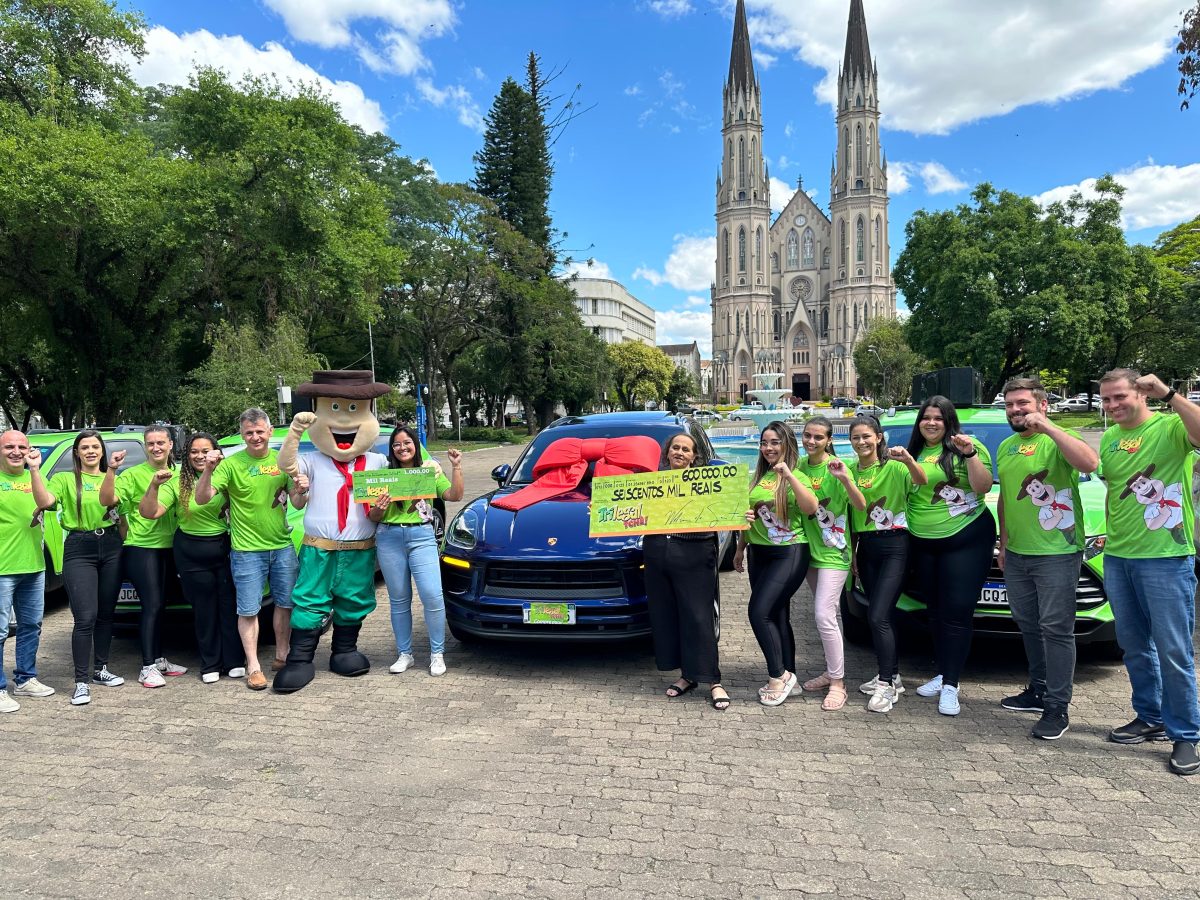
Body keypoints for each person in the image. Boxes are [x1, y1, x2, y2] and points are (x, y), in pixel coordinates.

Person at [1097, 369, 1200, 775]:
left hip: (1165, 557)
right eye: (1106, 400)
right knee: (1134, 643)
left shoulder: (1171, 426)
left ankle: (1187, 734)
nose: (1112, 405)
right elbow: (1112, 492)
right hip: (1119, 556)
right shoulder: (1108, 438)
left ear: (1140, 393)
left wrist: (1170, 394)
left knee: (1173, 649)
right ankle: (1150, 715)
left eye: (1119, 396)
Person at [996, 378, 1098, 741]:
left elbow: (1090, 461)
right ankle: (1038, 690)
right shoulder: (1007, 447)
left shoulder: (1055, 441)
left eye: (1022, 403)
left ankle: (1058, 706)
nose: (1015, 410)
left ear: (1042, 405)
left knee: (1056, 629)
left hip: (1057, 552)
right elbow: (1008, 497)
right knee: (1028, 623)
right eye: (1009, 405)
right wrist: (1004, 545)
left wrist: (1051, 428)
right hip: (1019, 553)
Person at [195, 408, 297, 691]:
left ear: (269, 431)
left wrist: (302, 487)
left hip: (282, 546)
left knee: (285, 603)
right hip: (247, 551)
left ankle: (282, 655)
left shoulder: (282, 462)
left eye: (259, 431)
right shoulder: (230, 464)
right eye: (249, 433)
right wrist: (208, 470)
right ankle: (253, 665)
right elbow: (202, 498)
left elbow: (298, 502)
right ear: (242, 434)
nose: (255, 437)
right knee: (249, 610)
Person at [905, 395, 995, 717]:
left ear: (948, 421)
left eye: (938, 418)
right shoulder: (912, 453)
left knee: (957, 613)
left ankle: (951, 686)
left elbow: (983, 487)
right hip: (923, 541)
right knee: (935, 611)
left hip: (966, 537)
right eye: (926, 417)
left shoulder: (965, 447)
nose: (931, 423)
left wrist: (969, 453)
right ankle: (943, 671)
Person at [140, 432, 242, 684]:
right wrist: (153, 486)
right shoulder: (176, 480)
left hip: (225, 546)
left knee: (229, 606)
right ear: (186, 455)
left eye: (205, 451)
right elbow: (150, 512)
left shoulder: (226, 474)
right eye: (194, 451)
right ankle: (210, 664)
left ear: (215, 452)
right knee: (204, 609)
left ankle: (234, 661)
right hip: (191, 551)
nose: (199, 456)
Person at [32, 431, 125, 706]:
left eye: (95, 446)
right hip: (79, 546)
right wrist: (35, 469)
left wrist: (111, 471)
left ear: (102, 451)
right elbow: (45, 502)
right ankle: (81, 681)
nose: (90, 451)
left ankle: (101, 669)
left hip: (110, 545)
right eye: (84, 447)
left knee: (107, 613)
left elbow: (118, 512)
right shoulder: (64, 479)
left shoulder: (114, 477)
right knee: (85, 617)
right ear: (77, 453)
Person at [733, 421, 819, 707]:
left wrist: (790, 476)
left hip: (789, 552)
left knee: (759, 612)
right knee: (778, 615)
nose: (768, 448)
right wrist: (740, 546)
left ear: (786, 444)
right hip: (758, 553)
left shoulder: (797, 474)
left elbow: (811, 508)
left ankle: (777, 676)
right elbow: (751, 516)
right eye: (764, 443)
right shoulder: (759, 475)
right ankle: (789, 676)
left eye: (774, 442)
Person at [642, 431, 728, 710]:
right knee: (670, 616)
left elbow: (725, 510)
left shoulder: (708, 483)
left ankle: (714, 680)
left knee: (699, 617)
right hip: (658, 555)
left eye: (686, 449)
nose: (679, 452)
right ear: (668, 453)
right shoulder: (653, 482)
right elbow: (631, 511)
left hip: (695, 555)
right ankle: (687, 676)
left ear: (694, 456)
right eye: (675, 448)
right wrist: (605, 509)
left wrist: (742, 514)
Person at [369, 425, 464, 677]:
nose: (402, 448)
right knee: (399, 599)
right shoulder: (383, 475)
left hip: (421, 536)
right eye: (397, 444)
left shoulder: (428, 471)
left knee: (432, 595)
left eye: (407, 443)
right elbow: (372, 515)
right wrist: (379, 507)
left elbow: (454, 495)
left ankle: (437, 654)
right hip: (388, 537)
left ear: (415, 445)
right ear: (392, 449)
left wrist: (455, 466)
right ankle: (405, 654)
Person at [847, 415, 926, 713]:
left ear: (879, 437)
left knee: (878, 615)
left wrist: (907, 459)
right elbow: (851, 511)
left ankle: (885, 684)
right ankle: (893, 675)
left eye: (867, 436)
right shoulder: (850, 470)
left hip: (895, 545)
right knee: (882, 614)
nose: (861, 442)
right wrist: (853, 552)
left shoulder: (894, 467)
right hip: (866, 547)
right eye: (856, 437)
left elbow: (920, 481)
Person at [101, 425, 187, 688]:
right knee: (151, 605)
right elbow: (107, 500)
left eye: (161, 442)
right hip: (142, 547)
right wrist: (112, 470)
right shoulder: (133, 474)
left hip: (171, 547)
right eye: (150, 444)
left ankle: (159, 659)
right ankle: (147, 666)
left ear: (171, 444)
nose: (156, 447)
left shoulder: (180, 474)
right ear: (145, 446)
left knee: (161, 604)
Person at [796, 417, 865, 711]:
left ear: (829, 440)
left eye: (818, 437)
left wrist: (845, 480)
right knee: (831, 615)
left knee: (823, 615)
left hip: (835, 553)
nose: (811, 442)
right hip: (809, 551)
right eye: (807, 435)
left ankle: (838, 683)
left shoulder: (838, 466)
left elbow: (860, 505)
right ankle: (830, 671)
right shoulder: (798, 465)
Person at [0, 431, 55, 712]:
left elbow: (47, 503)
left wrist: (34, 469)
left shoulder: (33, 476)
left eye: (22, 446)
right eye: (9, 446)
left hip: (33, 565)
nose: (16, 451)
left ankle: (25, 679)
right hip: (2, 568)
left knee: (31, 626)